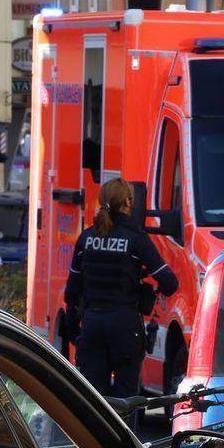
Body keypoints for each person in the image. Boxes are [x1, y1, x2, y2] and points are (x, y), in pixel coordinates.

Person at [63, 177, 178, 415]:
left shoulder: (86, 238)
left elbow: (72, 291)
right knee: (127, 403)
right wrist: (148, 286)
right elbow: (169, 282)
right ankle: (124, 439)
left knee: (96, 403)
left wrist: (74, 329)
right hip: (125, 327)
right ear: (128, 202)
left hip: (92, 326)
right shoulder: (136, 238)